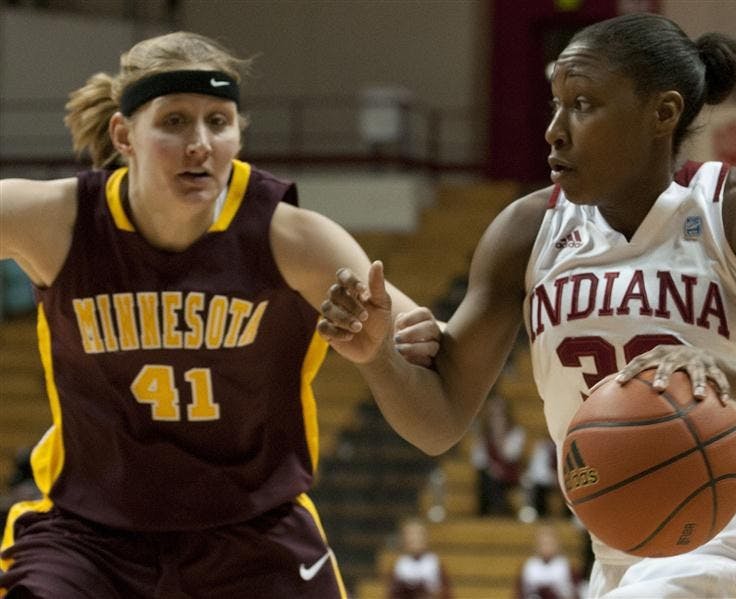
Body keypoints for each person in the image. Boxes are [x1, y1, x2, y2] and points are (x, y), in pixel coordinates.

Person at [318, 12, 736, 598]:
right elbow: (438, 422)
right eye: (556, 103)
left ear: (663, 113)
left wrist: (719, 369)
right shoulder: (524, 233)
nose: (554, 129)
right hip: (623, 547)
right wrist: (377, 357)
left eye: (583, 104)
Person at [0, 31, 440, 598]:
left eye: (218, 121)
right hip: (89, 536)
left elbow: (419, 334)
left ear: (238, 133)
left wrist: (422, 335)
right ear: (123, 134)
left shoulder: (291, 238)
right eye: (175, 121)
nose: (200, 143)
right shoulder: (59, 220)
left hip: (253, 533)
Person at [469, 394, 526, 516]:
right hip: (491, 474)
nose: (496, 416)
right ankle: (488, 512)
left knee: (493, 480)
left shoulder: (516, 432)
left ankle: (501, 510)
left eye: (499, 412)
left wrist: (499, 436)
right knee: (486, 478)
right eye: (493, 413)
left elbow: (511, 456)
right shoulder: (484, 435)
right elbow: (477, 460)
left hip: (510, 473)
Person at [386, 517, 452, 599]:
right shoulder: (399, 566)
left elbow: (446, 594)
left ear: (426, 538)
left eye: (418, 535)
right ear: (404, 540)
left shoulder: (435, 564)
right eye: (410, 535)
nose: (414, 539)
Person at [515, 524, 582, 599]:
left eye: (550, 543)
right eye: (543, 543)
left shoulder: (567, 568)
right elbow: (519, 594)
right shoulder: (529, 567)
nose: (546, 547)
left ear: (557, 544)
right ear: (537, 545)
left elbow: (577, 592)